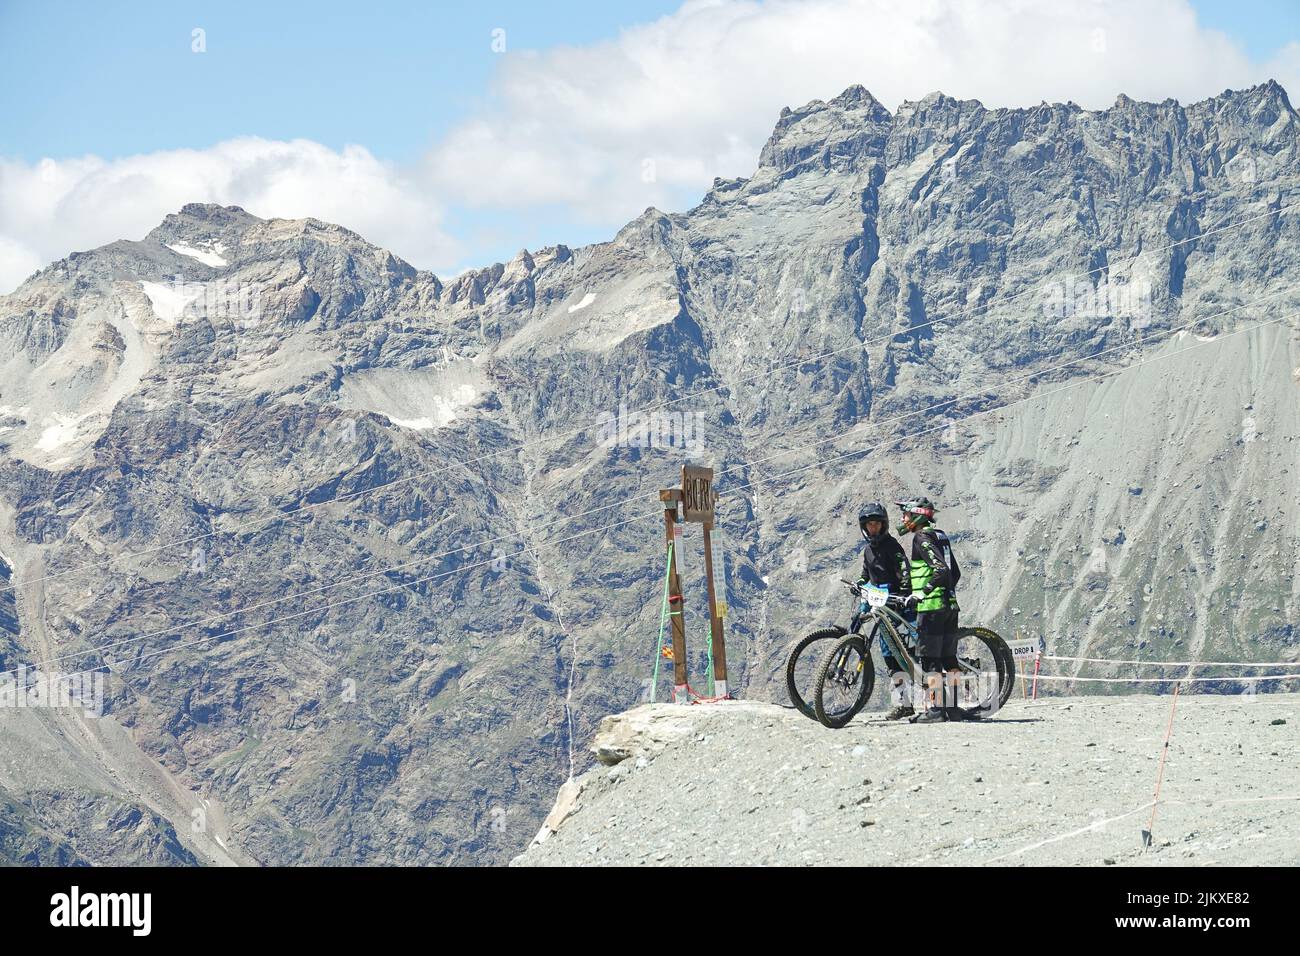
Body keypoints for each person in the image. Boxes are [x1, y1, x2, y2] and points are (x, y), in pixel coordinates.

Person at [895, 497, 974, 723]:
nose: (903, 519)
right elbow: (954, 572)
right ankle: (954, 709)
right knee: (949, 658)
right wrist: (945, 591)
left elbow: (939, 569)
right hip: (950, 605)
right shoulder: (940, 535)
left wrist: (922, 592)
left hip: (931, 608)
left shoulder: (921, 537)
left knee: (930, 659)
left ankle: (936, 710)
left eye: (906, 514)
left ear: (918, 515)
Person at [854, 502, 916, 720]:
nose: (873, 528)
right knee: (890, 656)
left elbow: (904, 571)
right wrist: (858, 584)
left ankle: (939, 698)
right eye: (869, 524)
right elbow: (865, 574)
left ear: (883, 525)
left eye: (877, 524)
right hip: (882, 608)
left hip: (899, 606)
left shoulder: (893, 546)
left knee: (917, 651)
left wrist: (904, 594)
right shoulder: (868, 550)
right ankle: (905, 703)